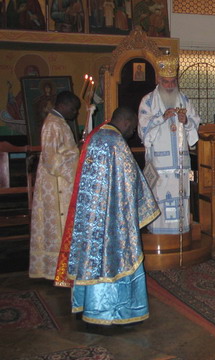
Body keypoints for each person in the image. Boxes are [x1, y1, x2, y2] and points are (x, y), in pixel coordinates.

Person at [57, 107, 160, 326]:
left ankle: (86, 304)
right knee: (113, 259)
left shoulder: (96, 135)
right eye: (132, 127)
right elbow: (129, 180)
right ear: (126, 121)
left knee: (90, 256)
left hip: (91, 216)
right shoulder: (116, 143)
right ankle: (113, 311)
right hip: (111, 217)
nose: (132, 132)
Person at [138, 54, 200, 235]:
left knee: (181, 198)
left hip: (181, 164)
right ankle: (160, 237)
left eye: (173, 82)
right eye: (166, 82)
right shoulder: (148, 101)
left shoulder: (185, 100)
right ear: (158, 79)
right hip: (159, 164)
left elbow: (195, 125)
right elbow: (143, 130)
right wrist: (161, 118)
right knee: (161, 200)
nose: (170, 86)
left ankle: (180, 236)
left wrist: (186, 120)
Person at [29, 91, 80, 280]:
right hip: (57, 184)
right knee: (59, 228)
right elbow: (51, 159)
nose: (75, 113)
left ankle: (62, 271)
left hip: (60, 184)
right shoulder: (52, 124)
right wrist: (74, 165)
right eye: (73, 109)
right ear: (64, 105)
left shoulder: (58, 122)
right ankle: (59, 271)